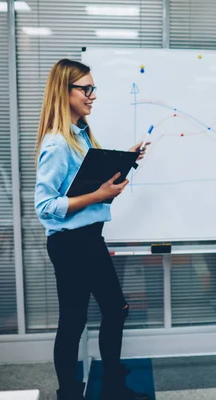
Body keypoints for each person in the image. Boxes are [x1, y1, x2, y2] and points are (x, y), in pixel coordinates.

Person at [34, 59, 151, 400]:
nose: (92, 95)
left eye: (92, 88)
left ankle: (112, 385)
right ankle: (71, 393)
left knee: (113, 309)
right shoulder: (57, 144)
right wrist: (98, 195)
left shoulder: (80, 136)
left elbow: (83, 181)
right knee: (75, 321)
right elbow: (45, 207)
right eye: (86, 89)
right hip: (71, 243)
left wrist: (122, 160)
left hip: (87, 240)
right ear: (64, 91)